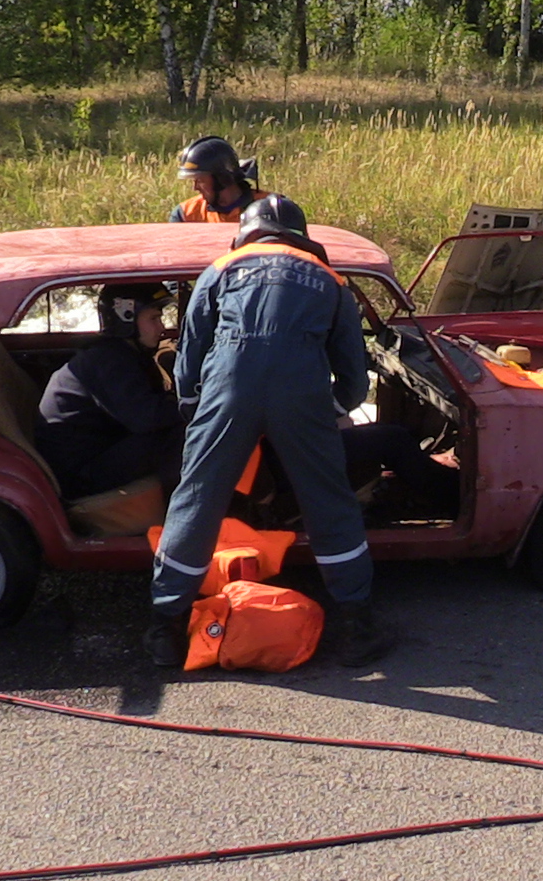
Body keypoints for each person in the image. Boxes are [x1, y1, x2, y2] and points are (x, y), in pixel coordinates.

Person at [148, 195, 388, 668]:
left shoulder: (219, 271)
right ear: (303, 238)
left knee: (196, 501)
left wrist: (199, 412)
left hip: (228, 387)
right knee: (329, 503)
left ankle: (164, 630)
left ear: (247, 234)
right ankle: (356, 628)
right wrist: (326, 411)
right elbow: (356, 380)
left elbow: (189, 356)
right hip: (302, 395)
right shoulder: (333, 282)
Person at [34, 283, 185, 502]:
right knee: (183, 435)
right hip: (80, 475)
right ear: (126, 318)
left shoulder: (120, 353)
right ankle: (188, 510)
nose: (161, 327)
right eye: (153, 319)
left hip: (93, 456)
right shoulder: (110, 360)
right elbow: (146, 418)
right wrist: (197, 406)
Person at [167, 136, 267, 223]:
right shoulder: (185, 215)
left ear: (221, 179)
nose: (195, 188)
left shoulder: (272, 209)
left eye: (200, 181)